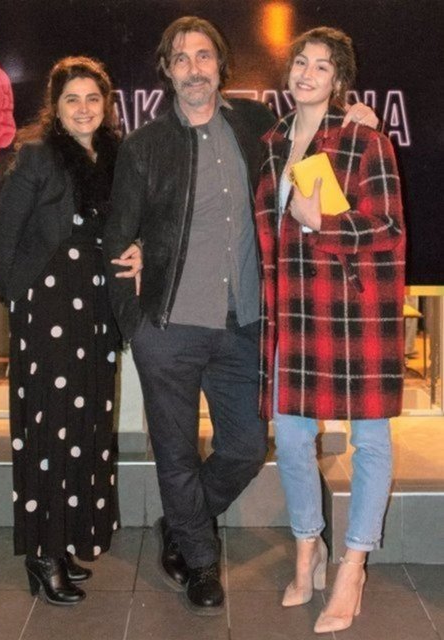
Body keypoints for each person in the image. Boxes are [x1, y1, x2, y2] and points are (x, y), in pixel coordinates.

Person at [104, 16, 377, 616]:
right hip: (169, 328)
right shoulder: (144, 147)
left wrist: (352, 117)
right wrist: (137, 330)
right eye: (181, 59)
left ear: (221, 65)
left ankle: (182, 526)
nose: (194, 69)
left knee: (247, 449)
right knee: (175, 453)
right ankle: (201, 563)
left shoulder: (257, 126)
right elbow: (117, 242)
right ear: (167, 70)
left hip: (243, 325)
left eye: (204, 56)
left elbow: (315, 146)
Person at [255, 27, 405, 634]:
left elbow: (390, 227)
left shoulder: (365, 138)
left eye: (322, 65)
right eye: (300, 62)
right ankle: (307, 548)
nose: (307, 73)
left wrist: (324, 224)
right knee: (291, 438)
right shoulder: (271, 143)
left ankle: (354, 565)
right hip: (292, 309)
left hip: (355, 308)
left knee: (370, 438)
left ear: (339, 79)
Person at [0, 56, 141, 606]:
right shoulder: (37, 156)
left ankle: (66, 540)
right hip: (48, 308)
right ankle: (43, 554)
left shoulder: (116, 159)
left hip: (96, 307)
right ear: (55, 107)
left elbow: (128, 226)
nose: (83, 108)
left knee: (85, 426)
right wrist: (18, 299)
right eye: (72, 99)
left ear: (107, 106)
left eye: (92, 99)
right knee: (50, 428)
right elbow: (5, 237)